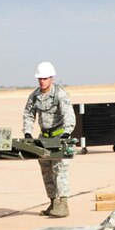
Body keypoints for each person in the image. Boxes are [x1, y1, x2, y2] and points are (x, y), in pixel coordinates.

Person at [22, 61, 76, 218]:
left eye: (44, 78)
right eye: (39, 78)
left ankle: (63, 204)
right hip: (44, 138)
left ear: (51, 78)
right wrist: (27, 132)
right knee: (46, 171)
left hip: (59, 137)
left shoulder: (60, 93)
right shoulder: (35, 96)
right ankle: (53, 203)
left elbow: (68, 114)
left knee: (60, 170)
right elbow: (28, 114)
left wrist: (66, 133)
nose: (42, 81)